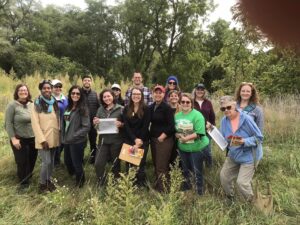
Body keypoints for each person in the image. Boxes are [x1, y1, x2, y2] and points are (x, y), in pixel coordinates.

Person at [217, 95, 263, 202]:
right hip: (233, 154)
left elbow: (259, 138)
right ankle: (231, 198)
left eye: (229, 107)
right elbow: (224, 139)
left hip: (250, 156)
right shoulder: (224, 121)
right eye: (223, 109)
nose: (226, 111)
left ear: (235, 105)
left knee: (242, 183)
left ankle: (252, 202)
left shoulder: (246, 119)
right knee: (224, 177)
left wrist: (244, 141)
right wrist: (212, 130)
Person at [175, 93, 209, 195]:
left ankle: (199, 193)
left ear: (191, 103)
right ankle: (187, 190)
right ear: (179, 103)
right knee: (185, 170)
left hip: (197, 148)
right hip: (183, 148)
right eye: (183, 102)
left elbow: (199, 133)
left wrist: (186, 138)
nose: (185, 104)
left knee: (197, 171)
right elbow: (175, 131)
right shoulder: (177, 116)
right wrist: (177, 135)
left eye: (187, 102)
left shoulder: (197, 115)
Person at [5, 84, 38, 190]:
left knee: (32, 159)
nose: (23, 92)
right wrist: (13, 138)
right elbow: (8, 123)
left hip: (33, 138)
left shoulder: (32, 104)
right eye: (20, 90)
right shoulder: (12, 105)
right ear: (17, 92)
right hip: (19, 138)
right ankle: (23, 183)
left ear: (28, 92)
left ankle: (28, 176)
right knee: (22, 161)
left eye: (25, 90)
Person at [31, 80, 60, 193]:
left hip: (54, 136)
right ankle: (42, 184)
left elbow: (56, 119)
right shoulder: (37, 103)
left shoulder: (54, 102)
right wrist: (42, 140)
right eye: (44, 88)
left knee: (51, 162)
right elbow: (35, 123)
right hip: (43, 138)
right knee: (46, 162)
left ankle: (48, 180)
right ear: (41, 89)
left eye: (49, 88)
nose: (47, 90)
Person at [93, 89, 124, 185]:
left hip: (116, 141)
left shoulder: (121, 108)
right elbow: (96, 126)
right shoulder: (100, 109)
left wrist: (121, 124)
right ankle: (101, 181)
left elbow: (127, 124)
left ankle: (116, 182)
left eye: (108, 96)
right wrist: (95, 123)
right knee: (98, 163)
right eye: (104, 97)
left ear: (113, 97)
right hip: (103, 141)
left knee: (116, 164)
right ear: (102, 99)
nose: (107, 98)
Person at [61, 85, 90, 188]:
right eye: (73, 93)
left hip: (77, 141)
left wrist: (73, 136)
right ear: (70, 94)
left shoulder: (83, 108)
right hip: (67, 140)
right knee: (67, 161)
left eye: (78, 93)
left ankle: (80, 182)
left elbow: (86, 127)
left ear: (81, 95)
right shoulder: (68, 107)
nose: (75, 95)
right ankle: (74, 175)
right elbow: (64, 123)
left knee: (77, 162)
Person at [123, 88, 151, 186]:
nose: (136, 96)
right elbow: (126, 126)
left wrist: (139, 141)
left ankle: (140, 184)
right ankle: (130, 184)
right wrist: (134, 139)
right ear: (131, 96)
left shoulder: (146, 109)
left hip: (143, 139)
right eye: (134, 94)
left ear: (142, 96)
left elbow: (145, 126)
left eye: (138, 94)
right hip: (130, 139)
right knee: (129, 163)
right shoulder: (126, 108)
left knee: (140, 163)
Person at [149, 85, 175, 192]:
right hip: (153, 139)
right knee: (156, 163)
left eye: (160, 93)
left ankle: (164, 189)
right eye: (156, 92)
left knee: (161, 165)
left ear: (164, 94)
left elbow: (171, 126)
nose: (158, 94)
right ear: (153, 94)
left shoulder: (167, 108)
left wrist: (163, 136)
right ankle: (158, 185)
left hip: (164, 140)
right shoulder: (151, 107)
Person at [193, 83, 216, 167]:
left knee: (207, 152)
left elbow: (212, 117)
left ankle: (209, 169)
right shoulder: (191, 102)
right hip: (194, 131)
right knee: (196, 151)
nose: (200, 91)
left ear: (204, 91)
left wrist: (211, 126)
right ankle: (197, 168)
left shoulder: (208, 103)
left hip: (207, 131)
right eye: (198, 89)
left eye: (202, 89)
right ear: (195, 90)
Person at [81, 75, 100, 164]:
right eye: (85, 80)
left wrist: (97, 118)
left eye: (89, 80)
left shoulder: (95, 94)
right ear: (82, 82)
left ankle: (93, 158)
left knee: (93, 141)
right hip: (81, 123)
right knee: (81, 142)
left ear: (91, 82)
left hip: (92, 123)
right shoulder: (78, 93)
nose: (87, 82)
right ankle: (80, 159)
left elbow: (99, 107)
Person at [51, 79, 68, 166]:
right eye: (55, 87)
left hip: (64, 124)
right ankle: (54, 161)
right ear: (51, 88)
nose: (58, 88)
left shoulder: (65, 98)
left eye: (59, 86)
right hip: (53, 125)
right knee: (55, 144)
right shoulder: (49, 98)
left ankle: (57, 159)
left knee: (62, 143)